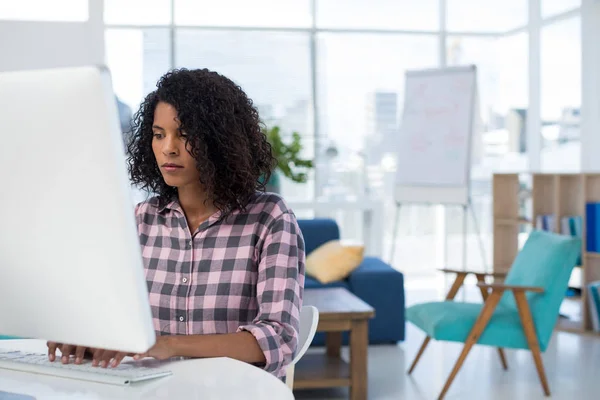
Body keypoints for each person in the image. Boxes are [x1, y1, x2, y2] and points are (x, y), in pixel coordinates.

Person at [47, 68, 306, 380]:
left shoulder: (270, 218)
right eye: (159, 135)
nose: (169, 147)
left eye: (184, 135)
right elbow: (115, 321)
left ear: (220, 140)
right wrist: (89, 341)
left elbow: (279, 339)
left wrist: (168, 345)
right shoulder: (141, 220)